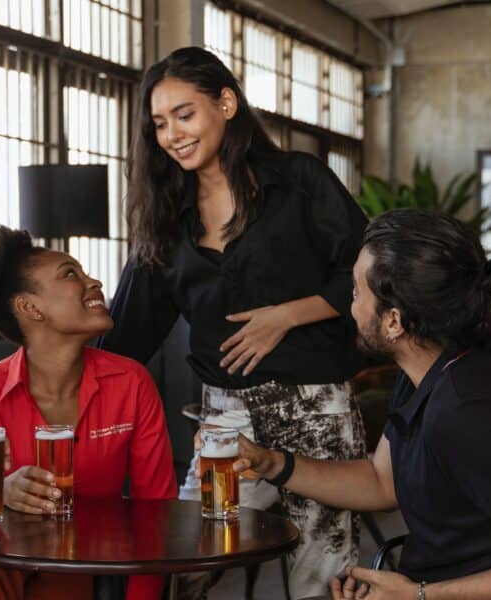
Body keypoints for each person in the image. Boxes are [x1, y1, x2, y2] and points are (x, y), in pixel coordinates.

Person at [99, 46, 368, 598]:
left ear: (225, 103)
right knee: (183, 565)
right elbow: (126, 337)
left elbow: (369, 271)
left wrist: (286, 316)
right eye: (158, 123)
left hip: (318, 411)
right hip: (225, 422)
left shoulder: (299, 179)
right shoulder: (164, 217)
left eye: (184, 114)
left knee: (323, 581)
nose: (171, 134)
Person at [233, 209, 491, 600]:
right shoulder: (425, 375)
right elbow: (382, 482)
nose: (351, 308)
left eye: (356, 293)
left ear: (394, 321)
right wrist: (274, 464)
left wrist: (420, 595)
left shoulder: (472, 412)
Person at [0, 227, 176, 600]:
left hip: (92, 571)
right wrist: (0, 492)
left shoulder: (131, 383)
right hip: (4, 575)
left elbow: (158, 517)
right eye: (71, 274)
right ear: (29, 307)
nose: (95, 282)